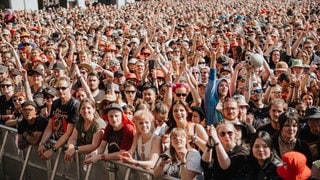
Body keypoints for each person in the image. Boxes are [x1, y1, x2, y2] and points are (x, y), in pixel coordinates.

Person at [37, 76, 80, 160]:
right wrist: (42, 143)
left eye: (63, 88)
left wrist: (52, 150)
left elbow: (68, 133)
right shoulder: (55, 103)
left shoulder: (75, 105)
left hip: (67, 146)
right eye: (58, 88)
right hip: (56, 142)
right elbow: (50, 126)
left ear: (69, 88)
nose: (60, 91)